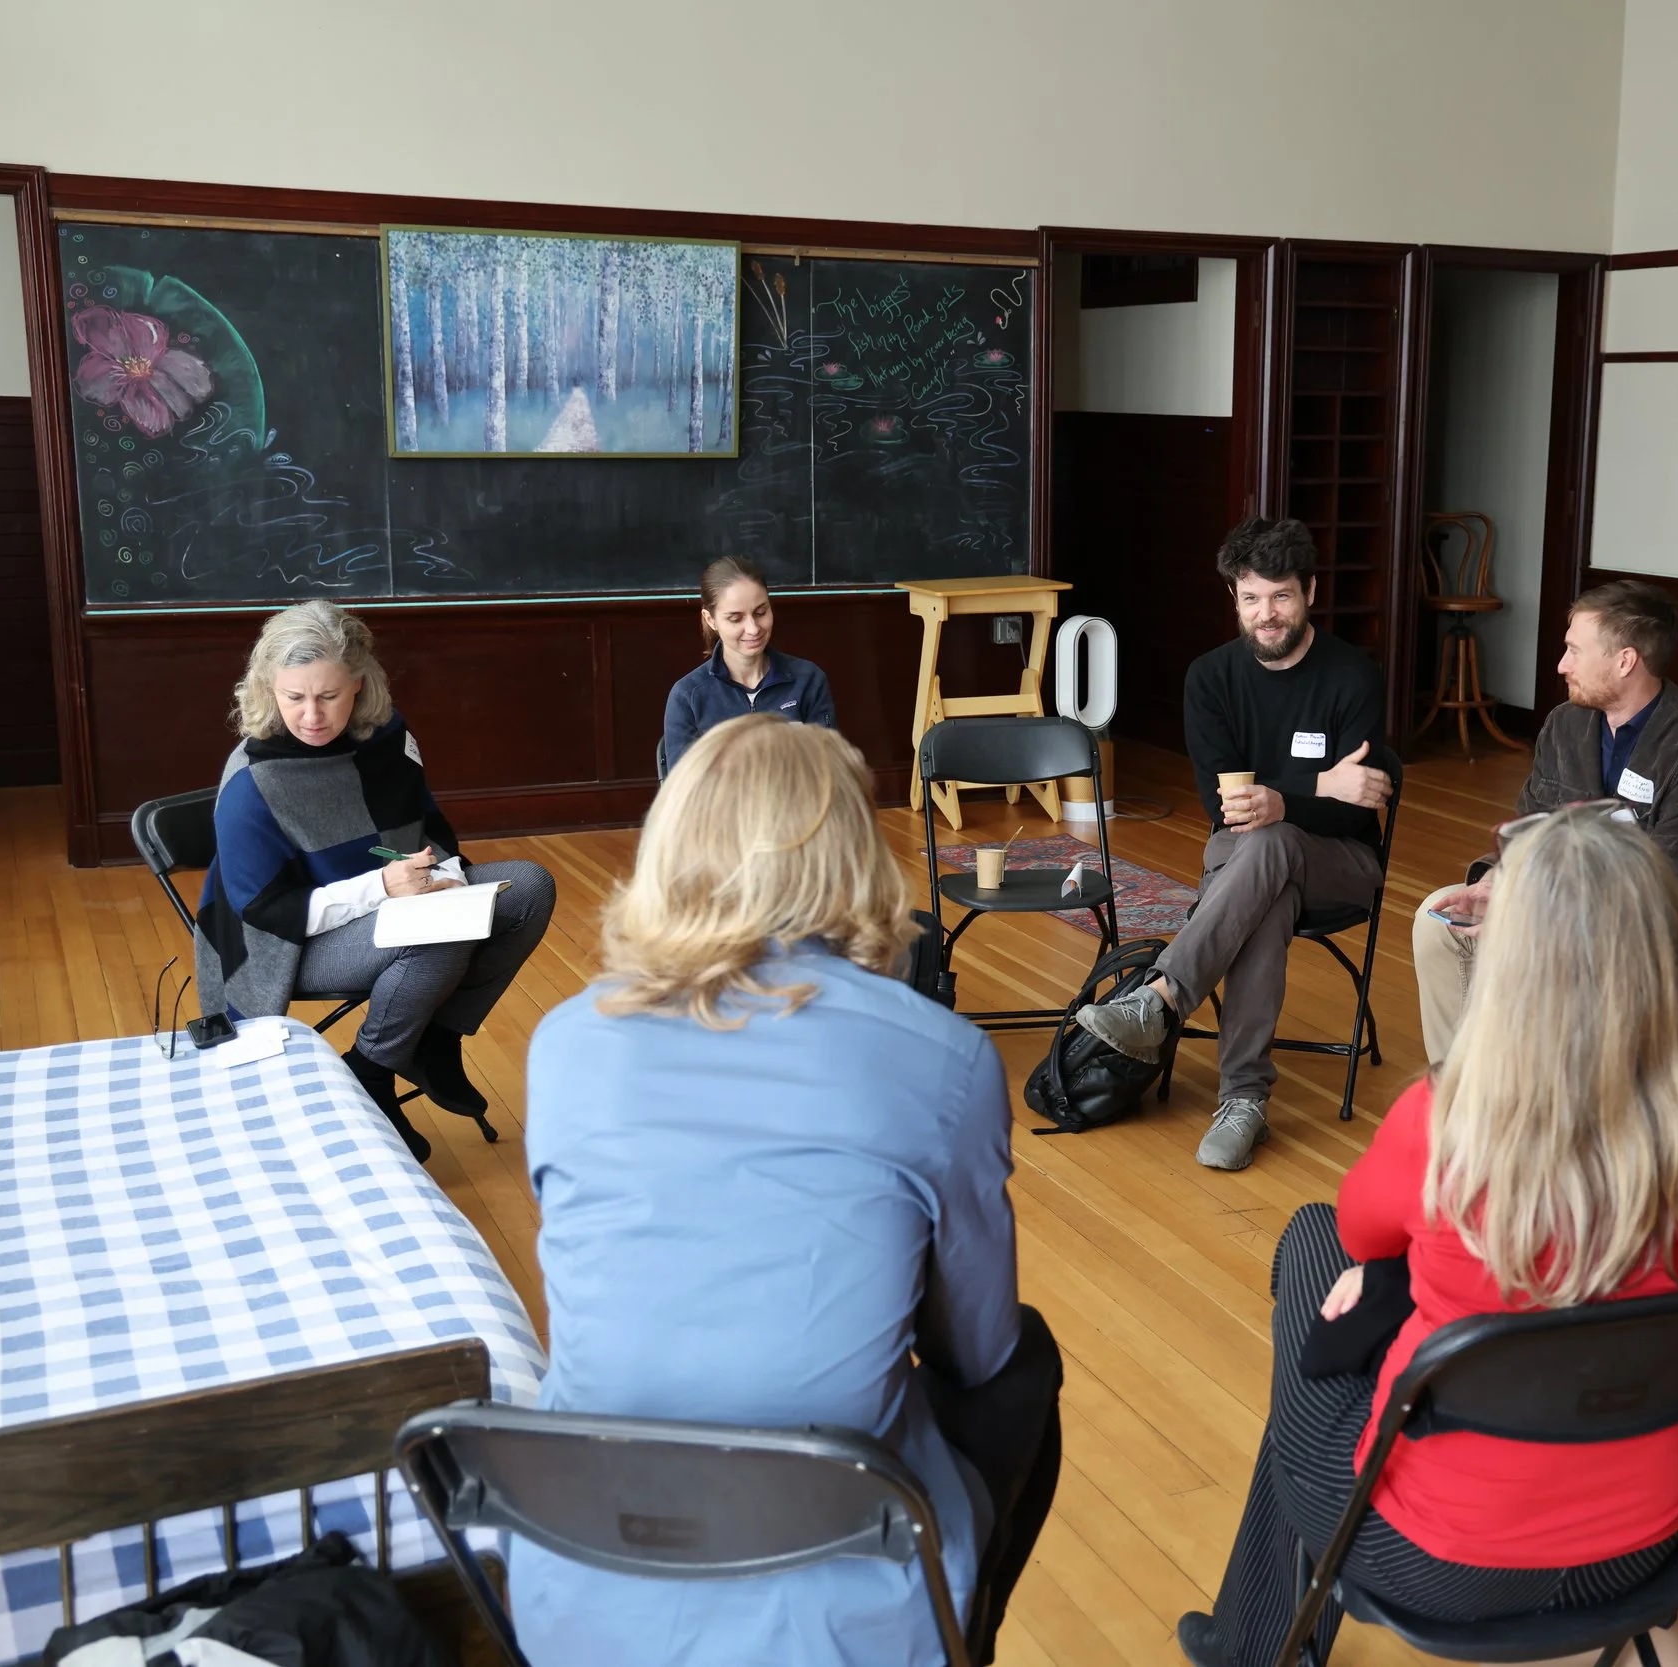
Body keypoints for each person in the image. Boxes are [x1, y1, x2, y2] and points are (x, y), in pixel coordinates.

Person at [1177, 807, 1678, 1667]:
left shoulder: (1449, 1123)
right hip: (1644, 1546)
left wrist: (1395, 1279)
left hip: (1437, 1561)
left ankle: (1255, 1646)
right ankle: (1249, 1635)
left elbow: (1362, 1229)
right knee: (1398, 1287)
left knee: (1318, 1247)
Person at [517, 714, 1062, 1667]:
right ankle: (958, 1631)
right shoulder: (942, 1058)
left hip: (581, 1580)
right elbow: (977, 1350)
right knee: (1024, 1369)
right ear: (853, 854)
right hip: (842, 1586)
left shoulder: (564, 1041)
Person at [1071, 517, 1397, 1171]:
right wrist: (1314, 785)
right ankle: (1243, 1100)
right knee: (1266, 882)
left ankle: (1159, 1000)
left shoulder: (1353, 677)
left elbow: (1354, 807)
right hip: (1242, 854)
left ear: (1309, 590)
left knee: (1273, 843)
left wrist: (1284, 799)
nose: (1266, 613)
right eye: (1252, 598)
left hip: (1344, 858)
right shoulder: (1211, 678)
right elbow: (1226, 808)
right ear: (1234, 599)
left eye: (1280, 596)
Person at [195, 601, 555, 1162]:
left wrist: (443, 876)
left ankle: (424, 1043)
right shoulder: (251, 782)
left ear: (359, 686)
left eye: (329, 696)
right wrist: (384, 889)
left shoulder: (387, 739)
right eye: (294, 697)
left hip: (393, 908)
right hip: (286, 944)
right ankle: (377, 1070)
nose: (311, 714)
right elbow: (267, 912)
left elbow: (431, 834)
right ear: (269, 690)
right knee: (436, 933)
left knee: (530, 887)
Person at [1413, 580, 1678, 1064]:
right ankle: (1459, 1097)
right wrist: (1496, 882)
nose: (1561, 665)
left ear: (1625, 661)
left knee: (1534, 953)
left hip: (1649, 939)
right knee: (1437, 919)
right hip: (1558, 907)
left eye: (1573, 650)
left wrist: (1537, 910)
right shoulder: (1566, 724)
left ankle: (1518, 1105)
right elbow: (1530, 827)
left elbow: (1669, 887)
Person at [661, 555, 837, 772]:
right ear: (710, 619)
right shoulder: (688, 696)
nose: (753, 628)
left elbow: (829, 771)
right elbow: (684, 791)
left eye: (761, 612)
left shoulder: (808, 680)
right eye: (736, 619)